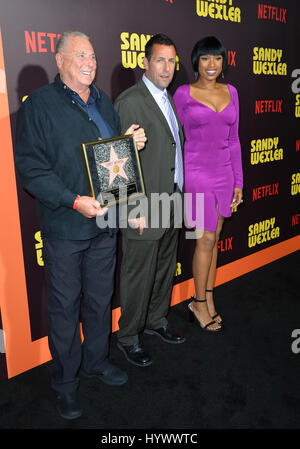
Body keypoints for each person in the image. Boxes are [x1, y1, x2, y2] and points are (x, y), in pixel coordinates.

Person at [15, 31, 146, 420]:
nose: (89, 62)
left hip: (105, 225)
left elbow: (111, 161)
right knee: (64, 308)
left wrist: (128, 144)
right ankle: (66, 383)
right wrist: (74, 201)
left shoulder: (104, 101)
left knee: (99, 300)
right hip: (66, 227)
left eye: (92, 55)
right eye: (79, 56)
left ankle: (96, 362)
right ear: (59, 61)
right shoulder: (39, 105)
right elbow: (32, 169)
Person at [114, 33, 186, 368]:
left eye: (172, 60)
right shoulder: (131, 101)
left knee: (163, 269)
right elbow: (117, 162)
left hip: (171, 200)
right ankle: (128, 337)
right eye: (160, 59)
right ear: (145, 62)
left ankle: (156, 321)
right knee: (137, 275)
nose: (167, 67)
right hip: (143, 205)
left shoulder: (167, 97)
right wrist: (130, 209)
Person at [173, 36, 243, 331]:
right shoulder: (183, 94)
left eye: (217, 58)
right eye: (205, 58)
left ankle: (209, 298)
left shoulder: (232, 92)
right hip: (198, 174)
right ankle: (197, 303)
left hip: (225, 174)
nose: (212, 64)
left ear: (223, 61)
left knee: (214, 241)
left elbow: (235, 139)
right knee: (204, 240)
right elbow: (174, 138)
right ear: (196, 62)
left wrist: (239, 180)